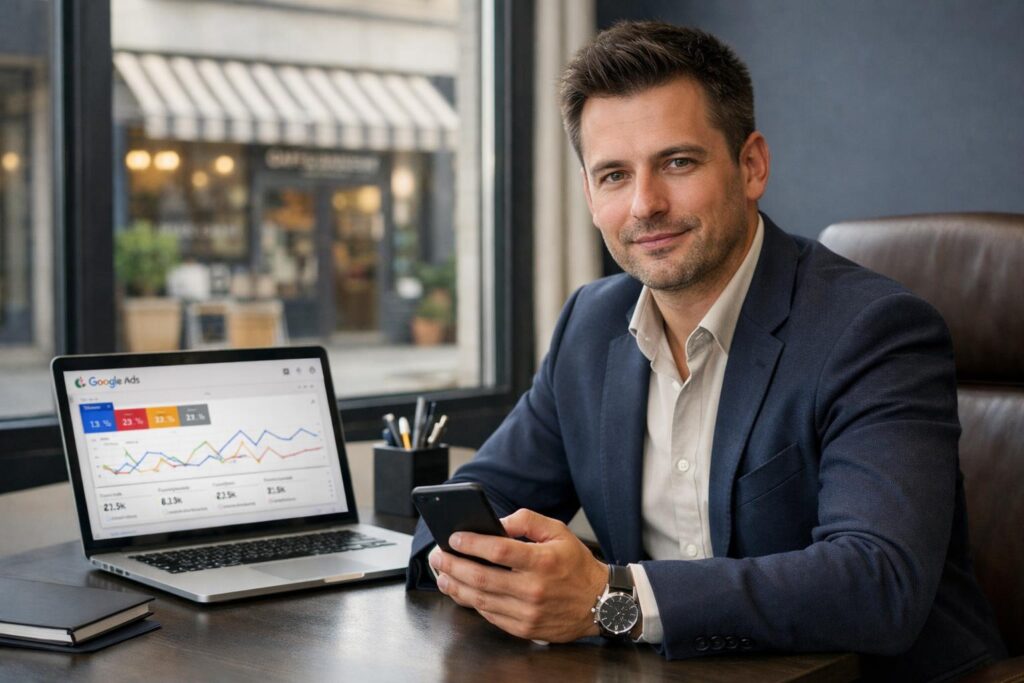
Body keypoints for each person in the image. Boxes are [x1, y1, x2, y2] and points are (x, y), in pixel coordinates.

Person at [406, 21, 1005, 680]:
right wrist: (483, 565)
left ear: (751, 166)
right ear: (588, 194)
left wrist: (613, 599)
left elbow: (878, 582)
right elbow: (463, 507)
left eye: (678, 162)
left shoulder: (873, 331)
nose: (644, 205)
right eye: (613, 175)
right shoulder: (589, 327)